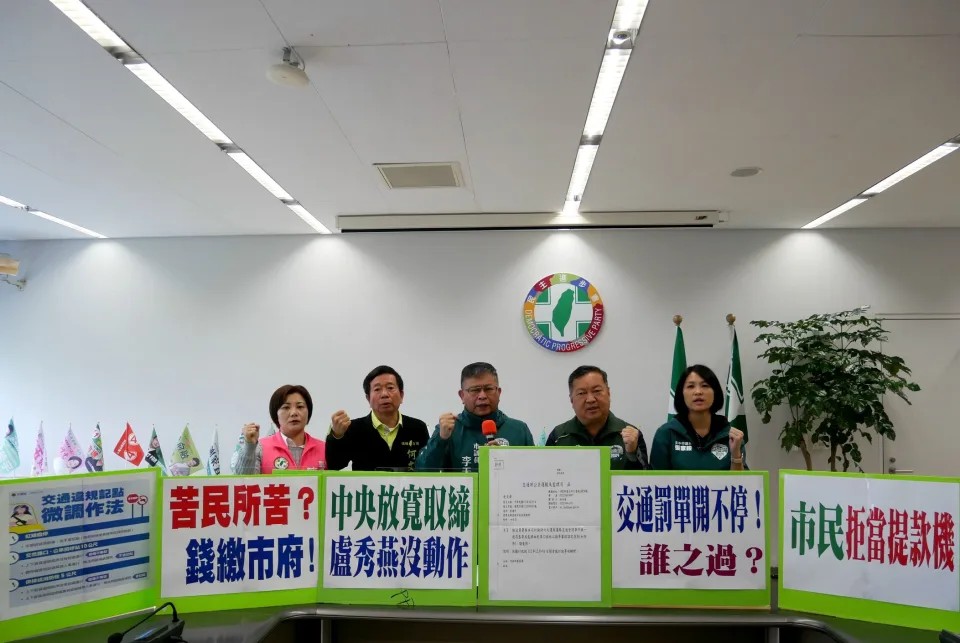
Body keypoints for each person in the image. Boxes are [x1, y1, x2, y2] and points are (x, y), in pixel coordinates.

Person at [416, 362, 534, 472]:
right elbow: (422, 472)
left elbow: (533, 472)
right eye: (475, 390)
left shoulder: (519, 430)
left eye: (488, 389)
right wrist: (441, 440)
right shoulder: (449, 429)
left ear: (499, 392)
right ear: (462, 396)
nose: (482, 396)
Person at [327, 365, 429, 471]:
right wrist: (337, 436)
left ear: (401, 395)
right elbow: (334, 465)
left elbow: (428, 467)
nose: (384, 394)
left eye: (390, 388)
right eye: (377, 389)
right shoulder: (353, 428)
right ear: (368, 398)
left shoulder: (418, 428)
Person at [546, 365, 649, 469]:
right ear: (571, 400)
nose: (590, 399)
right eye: (582, 393)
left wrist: (632, 453)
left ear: (608, 393)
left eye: (597, 391)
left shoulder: (631, 435)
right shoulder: (558, 436)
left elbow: (645, 477)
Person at [650, 364, 746, 470]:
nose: (698, 392)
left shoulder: (731, 436)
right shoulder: (666, 434)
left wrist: (736, 455)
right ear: (681, 394)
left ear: (715, 392)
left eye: (705, 385)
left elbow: (741, 481)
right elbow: (656, 479)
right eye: (691, 386)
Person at [232, 384, 326, 473]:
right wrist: (249, 446)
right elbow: (243, 480)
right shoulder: (260, 447)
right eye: (286, 407)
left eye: (300, 407)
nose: (294, 413)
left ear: (309, 412)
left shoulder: (325, 448)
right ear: (276, 414)